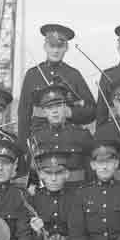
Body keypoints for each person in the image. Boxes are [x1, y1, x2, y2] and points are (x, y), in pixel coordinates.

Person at [17, 23, 96, 155]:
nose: (55, 51)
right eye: (52, 46)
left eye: (60, 46)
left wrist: (70, 112)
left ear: (66, 48)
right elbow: (24, 114)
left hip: (69, 141)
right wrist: (23, 150)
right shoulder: (33, 74)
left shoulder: (73, 75)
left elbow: (92, 110)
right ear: (45, 47)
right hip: (39, 140)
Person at [29, 83, 93, 187]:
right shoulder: (37, 137)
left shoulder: (82, 135)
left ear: (65, 108)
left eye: (58, 106)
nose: (54, 111)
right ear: (44, 112)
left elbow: (92, 171)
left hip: (76, 193)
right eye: (49, 107)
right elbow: (33, 173)